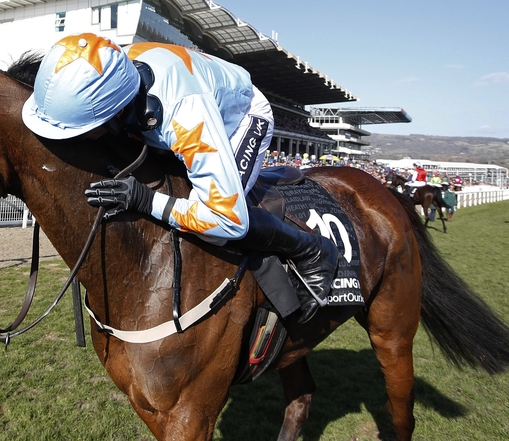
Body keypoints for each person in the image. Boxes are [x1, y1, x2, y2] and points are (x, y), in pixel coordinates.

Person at [22, 33, 338, 323]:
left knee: (216, 230)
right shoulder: (107, 72)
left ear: (116, 113)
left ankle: (312, 250)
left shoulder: (185, 117)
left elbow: (226, 219)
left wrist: (144, 200)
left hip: (241, 116)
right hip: (187, 92)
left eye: (84, 132)